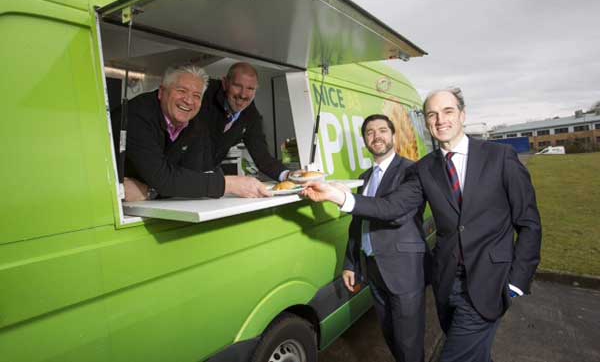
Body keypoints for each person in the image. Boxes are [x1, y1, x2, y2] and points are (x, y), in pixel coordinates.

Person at [303, 88, 542, 362]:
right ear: (426, 122)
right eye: (432, 114)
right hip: (448, 283)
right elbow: (392, 207)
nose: (440, 120)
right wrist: (338, 196)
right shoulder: (424, 168)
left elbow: (529, 222)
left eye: (448, 111)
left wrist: (517, 282)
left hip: (491, 281)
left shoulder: (500, 156)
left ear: (463, 115)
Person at [114, 64, 270, 201]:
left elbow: (195, 173)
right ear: (162, 92)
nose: (189, 101)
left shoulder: (194, 123)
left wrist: (151, 191)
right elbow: (164, 178)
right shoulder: (137, 116)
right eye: (181, 91)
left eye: (196, 96)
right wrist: (228, 184)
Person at [342, 114, 428, 362]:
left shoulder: (412, 171)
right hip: (374, 269)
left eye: (382, 130)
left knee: (409, 342)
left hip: (404, 271)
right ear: (365, 140)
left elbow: (395, 212)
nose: (376, 136)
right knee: (390, 335)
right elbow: (357, 222)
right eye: (370, 132)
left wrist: (342, 198)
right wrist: (350, 263)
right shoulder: (365, 177)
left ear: (393, 135)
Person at [200, 62, 294, 181]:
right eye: (237, 86)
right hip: (178, 173)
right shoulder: (204, 94)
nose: (243, 94)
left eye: (250, 88)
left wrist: (289, 176)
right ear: (224, 83)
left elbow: (262, 157)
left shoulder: (250, 114)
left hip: (207, 177)